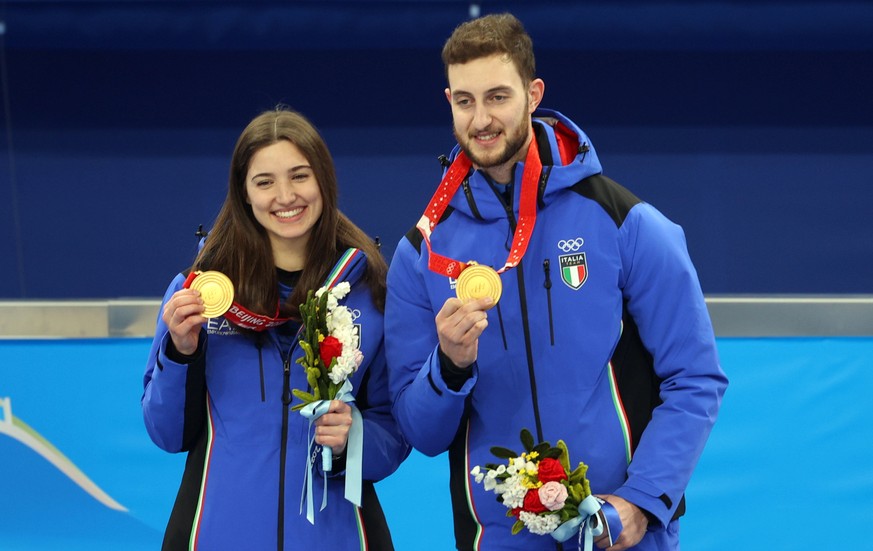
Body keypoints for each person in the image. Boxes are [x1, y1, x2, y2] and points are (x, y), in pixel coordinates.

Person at [384, 13, 728, 551]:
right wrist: (449, 367)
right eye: (465, 101)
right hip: (498, 537)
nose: (481, 119)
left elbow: (696, 378)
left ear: (533, 93)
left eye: (498, 96)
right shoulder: (421, 254)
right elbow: (421, 434)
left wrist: (643, 502)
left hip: (617, 531)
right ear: (448, 100)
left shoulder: (623, 221)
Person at [142, 108, 409, 550]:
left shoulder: (370, 290)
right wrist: (180, 352)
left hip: (339, 537)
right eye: (264, 182)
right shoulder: (198, 294)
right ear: (244, 193)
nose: (285, 196)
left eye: (300, 176)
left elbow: (395, 429)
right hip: (216, 534)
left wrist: (353, 440)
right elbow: (167, 434)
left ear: (324, 180)